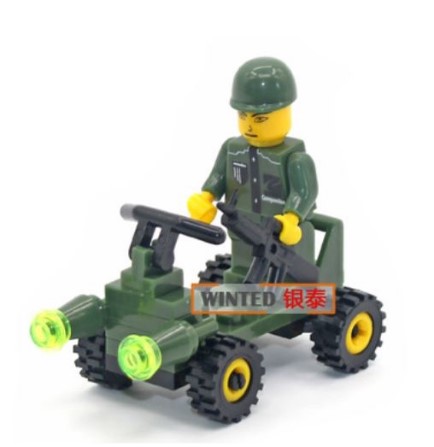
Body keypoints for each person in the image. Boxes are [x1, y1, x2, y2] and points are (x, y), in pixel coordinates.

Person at [188, 57, 318, 283]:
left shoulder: (295, 159)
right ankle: (242, 286)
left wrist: (291, 218)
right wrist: (206, 198)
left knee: (291, 273)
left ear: (285, 111)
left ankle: (286, 291)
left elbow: (304, 192)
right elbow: (218, 177)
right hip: (241, 223)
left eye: (260, 119)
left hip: (282, 233)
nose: (249, 125)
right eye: (243, 116)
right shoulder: (232, 149)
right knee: (242, 263)